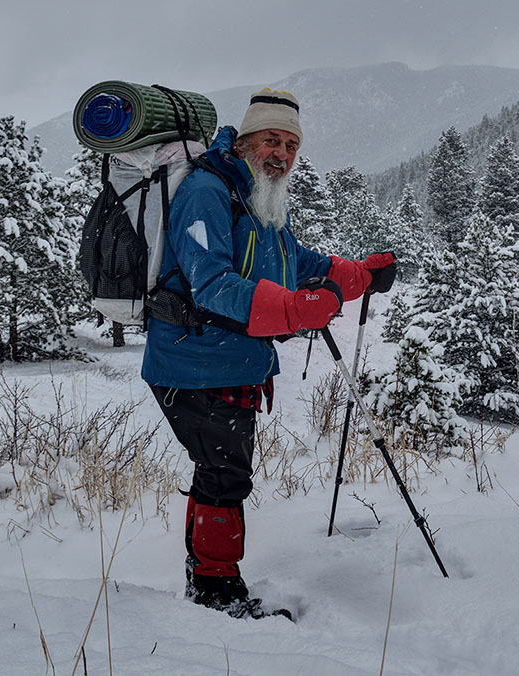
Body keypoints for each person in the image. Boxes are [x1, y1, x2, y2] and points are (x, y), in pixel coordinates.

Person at [141, 88, 396, 619]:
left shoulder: (258, 198)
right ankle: (215, 592)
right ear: (245, 140)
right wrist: (298, 310)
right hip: (194, 362)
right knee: (223, 475)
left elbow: (299, 262)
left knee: (219, 470)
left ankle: (206, 578)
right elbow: (210, 284)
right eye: (270, 140)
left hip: (228, 361)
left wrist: (362, 275)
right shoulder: (208, 192)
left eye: (291, 145)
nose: (281, 153)